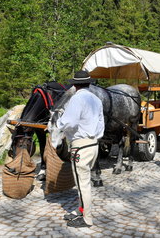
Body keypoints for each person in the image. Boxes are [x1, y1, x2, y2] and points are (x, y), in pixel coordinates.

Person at [57, 70, 104, 228]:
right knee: (83, 181)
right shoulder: (96, 99)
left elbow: (69, 122)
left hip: (81, 146)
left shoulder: (77, 99)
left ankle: (87, 219)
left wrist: (58, 125)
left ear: (75, 84)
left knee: (83, 183)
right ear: (89, 83)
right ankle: (81, 210)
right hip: (93, 144)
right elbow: (100, 124)